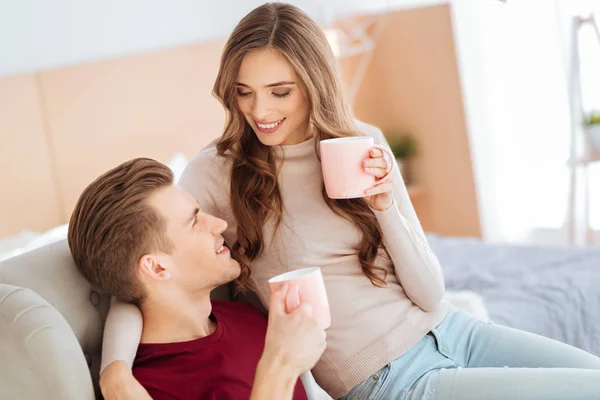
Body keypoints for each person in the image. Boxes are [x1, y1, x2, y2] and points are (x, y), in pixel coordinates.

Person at [101, 3, 600, 399]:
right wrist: (116, 373)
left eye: (280, 91)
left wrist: (386, 206)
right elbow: (138, 281)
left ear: (313, 86)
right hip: (388, 383)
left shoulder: (361, 141)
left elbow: (429, 294)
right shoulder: (216, 171)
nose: (260, 110)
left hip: (453, 330)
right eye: (244, 92)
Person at [67, 157, 326, 400]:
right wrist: (280, 365)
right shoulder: (154, 388)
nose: (220, 224)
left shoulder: (248, 318)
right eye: (194, 222)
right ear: (157, 267)